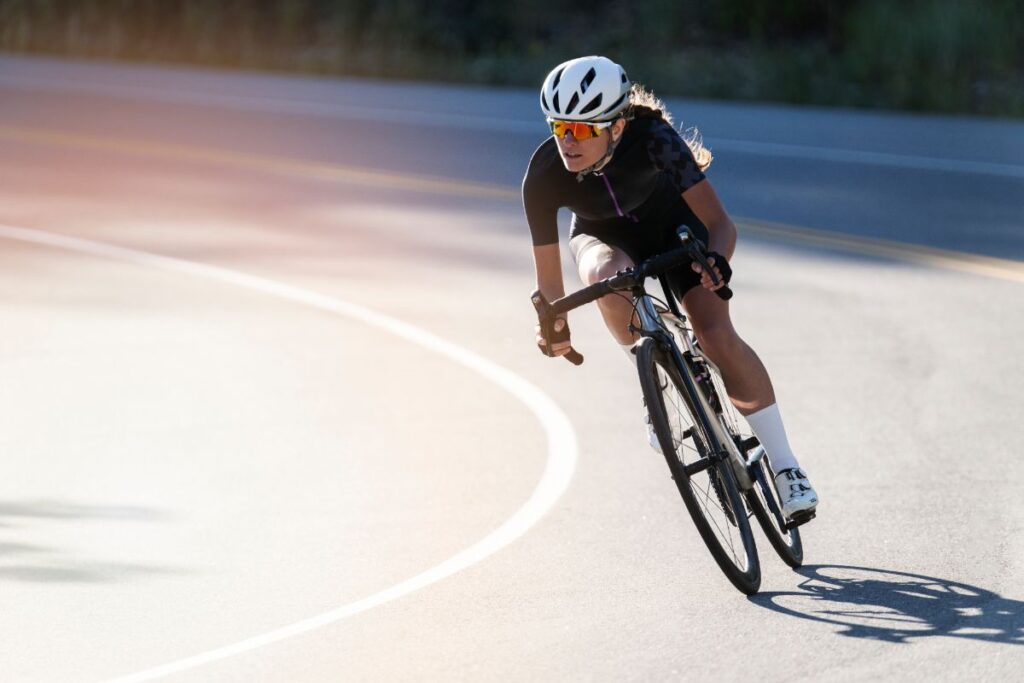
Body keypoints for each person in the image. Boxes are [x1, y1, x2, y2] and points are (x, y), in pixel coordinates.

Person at [522, 55, 818, 520]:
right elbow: (550, 293)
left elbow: (720, 224)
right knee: (606, 277)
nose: (567, 141)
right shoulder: (542, 176)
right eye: (559, 127)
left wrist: (717, 262)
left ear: (616, 127)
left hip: (673, 226)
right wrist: (553, 325)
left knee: (714, 333)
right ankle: (651, 374)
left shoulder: (655, 140)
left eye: (581, 130)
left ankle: (785, 466)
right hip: (603, 238)